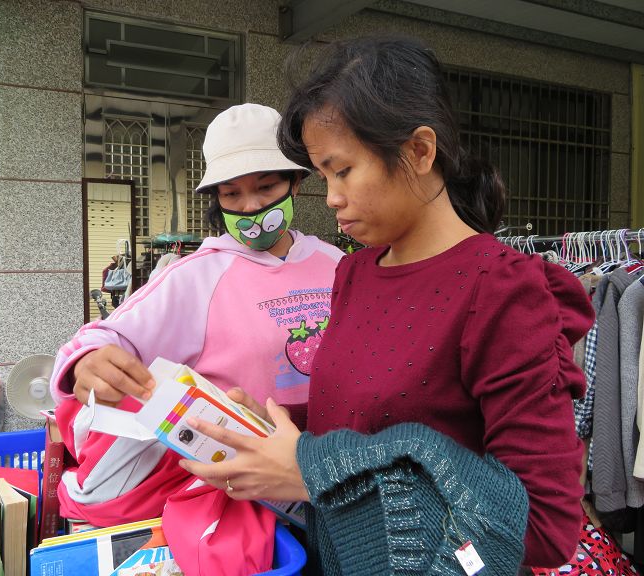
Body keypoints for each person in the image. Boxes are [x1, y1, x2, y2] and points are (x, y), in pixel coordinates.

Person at [178, 35, 595, 573]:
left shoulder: (501, 289)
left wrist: (313, 469)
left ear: (419, 151)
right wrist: (277, 432)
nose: (331, 197)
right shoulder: (353, 273)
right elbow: (364, 419)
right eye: (323, 175)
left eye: (343, 170)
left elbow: (542, 524)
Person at [49, 103, 343, 530]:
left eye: (266, 187)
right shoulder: (196, 276)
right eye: (232, 194)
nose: (251, 206)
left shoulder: (335, 264)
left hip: (331, 472)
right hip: (247, 499)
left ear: (294, 182)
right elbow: (102, 339)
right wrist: (86, 362)